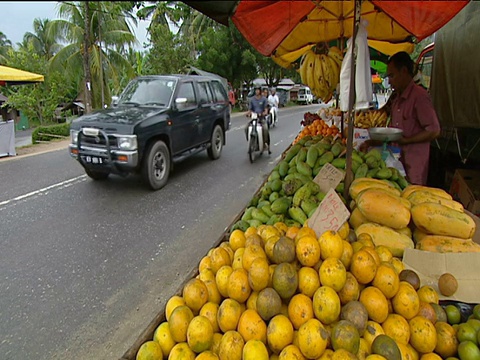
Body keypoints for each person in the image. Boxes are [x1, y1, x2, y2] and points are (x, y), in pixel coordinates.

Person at [360, 51, 440, 185]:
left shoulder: (419, 97)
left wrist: (407, 140)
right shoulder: (396, 99)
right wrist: (373, 142)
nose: (389, 81)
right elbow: (393, 134)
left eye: (392, 76)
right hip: (397, 163)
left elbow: (434, 130)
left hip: (413, 166)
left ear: (403, 71)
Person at [245, 86, 271, 154]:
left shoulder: (264, 99)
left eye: (258, 90)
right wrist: (248, 114)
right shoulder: (252, 99)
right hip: (254, 118)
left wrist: (264, 113)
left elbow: (266, 109)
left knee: (265, 129)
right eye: (255, 90)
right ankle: (250, 143)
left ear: (260, 91)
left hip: (261, 118)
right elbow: (250, 109)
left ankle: (266, 144)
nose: (257, 91)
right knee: (246, 128)